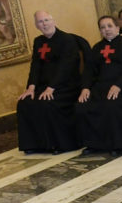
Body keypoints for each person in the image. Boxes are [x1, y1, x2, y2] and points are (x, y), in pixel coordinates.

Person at [17, 11, 82, 154]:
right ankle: (34, 145)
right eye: (40, 22)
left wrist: (51, 88)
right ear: (36, 25)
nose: (44, 24)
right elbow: (36, 66)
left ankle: (59, 144)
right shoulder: (38, 41)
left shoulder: (66, 40)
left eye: (46, 20)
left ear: (53, 21)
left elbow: (66, 67)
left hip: (66, 86)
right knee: (25, 103)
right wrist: (31, 88)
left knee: (47, 103)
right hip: (44, 86)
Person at [76, 15, 122, 156]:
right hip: (99, 88)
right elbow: (89, 71)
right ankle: (94, 144)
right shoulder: (97, 48)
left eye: (110, 26)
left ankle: (120, 144)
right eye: (103, 27)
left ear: (117, 28)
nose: (107, 30)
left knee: (112, 105)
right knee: (83, 105)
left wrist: (119, 85)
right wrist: (85, 88)